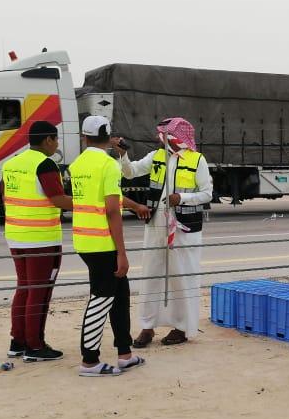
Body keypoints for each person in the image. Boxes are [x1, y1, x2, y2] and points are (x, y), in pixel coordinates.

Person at [118, 117, 213, 347]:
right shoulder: (157, 156)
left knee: (182, 276)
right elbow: (130, 172)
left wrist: (182, 197)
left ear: (175, 137)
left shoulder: (197, 160)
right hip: (156, 226)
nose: (158, 138)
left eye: (163, 134)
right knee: (151, 275)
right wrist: (123, 155)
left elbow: (207, 193)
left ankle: (181, 328)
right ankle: (147, 327)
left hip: (184, 228)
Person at [69, 116, 145, 376]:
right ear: (109, 137)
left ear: (84, 137)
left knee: (120, 294)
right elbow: (113, 210)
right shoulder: (109, 165)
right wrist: (122, 253)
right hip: (103, 242)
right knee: (101, 299)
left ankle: (125, 354)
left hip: (83, 239)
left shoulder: (78, 164)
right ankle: (89, 361)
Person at [3, 121, 72, 362]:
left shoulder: (12, 163)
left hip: (16, 236)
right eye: (56, 139)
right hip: (42, 238)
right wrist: (91, 204)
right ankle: (35, 345)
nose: (57, 144)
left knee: (24, 288)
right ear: (48, 140)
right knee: (39, 292)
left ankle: (18, 341)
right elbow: (58, 199)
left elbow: (5, 195)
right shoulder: (45, 164)